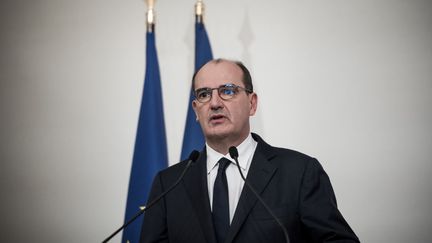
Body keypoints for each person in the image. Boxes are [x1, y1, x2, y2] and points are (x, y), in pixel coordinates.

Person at [140, 59, 359, 243]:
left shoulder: (299, 172)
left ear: (252, 104)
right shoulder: (168, 184)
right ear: (196, 110)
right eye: (204, 94)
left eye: (227, 91)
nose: (215, 103)